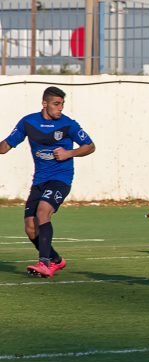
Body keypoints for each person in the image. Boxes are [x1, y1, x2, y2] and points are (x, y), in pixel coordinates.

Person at [0, 86, 95, 278]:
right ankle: (56, 260)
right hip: (39, 181)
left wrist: (70, 152)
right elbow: (5, 147)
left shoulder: (69, 125)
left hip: (61, 179)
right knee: (30, 227)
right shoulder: (28, 122)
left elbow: (90, 146)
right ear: (44, 104)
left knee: (43, 211)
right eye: (56, 104)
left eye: (62, 104)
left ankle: (44, 263)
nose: (60, 108)